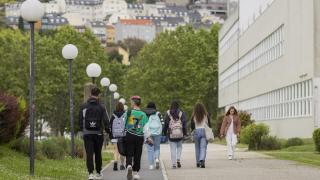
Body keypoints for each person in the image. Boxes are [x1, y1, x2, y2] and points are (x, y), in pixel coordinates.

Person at [79, 87, 109, 180]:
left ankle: (90, 173)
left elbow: (80, 120)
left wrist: (82, 130)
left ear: (90, 94)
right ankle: (99, 172)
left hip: (87, 133)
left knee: (89, 153)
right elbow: (106, 120)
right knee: (98, 153)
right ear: (98, 95)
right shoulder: (101, 107)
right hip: (98, 133)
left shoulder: (83, 106)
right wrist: (108, 131)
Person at [124, 96, 148, 180]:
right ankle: (136, 173)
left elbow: (124, 124)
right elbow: (146, 128)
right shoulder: (143, 114)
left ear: (133, 103)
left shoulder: (129, 112)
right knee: (138, 154)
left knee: (129, 152)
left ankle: (129, 165)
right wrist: (148, 138)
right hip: (139, 136)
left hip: (129, 135)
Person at [162, 101, 187, 169]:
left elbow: (165, 124)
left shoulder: (168, 113)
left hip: (171, 134)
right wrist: (185, 133)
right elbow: (184, 124)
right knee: (179, 147)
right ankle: (178, 159)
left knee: (172, 149)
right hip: (180, 134)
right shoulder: (182, 113)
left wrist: (164, 132)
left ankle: (173, 164)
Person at [190, 102, 211, 168]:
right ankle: (202, 160)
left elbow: (192, 126)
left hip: (196, 131)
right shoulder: (206, 115)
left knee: (197, 148)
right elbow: (209, 125)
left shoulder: (194, 115)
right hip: (204, 131)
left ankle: (198, 162)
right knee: (203, 147)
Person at [144, 102, 162, 170]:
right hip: (157, 133)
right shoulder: (158, 113)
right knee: (157, 147)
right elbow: (162, 123)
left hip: (149, 133)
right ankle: (157, 158)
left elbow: (145, 124)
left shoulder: (145, 114)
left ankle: (151, 165)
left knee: (150, 149)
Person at [109, 102, 126, 171]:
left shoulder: (113, 115)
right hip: (123, 135)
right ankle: (122, 165)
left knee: (116, 150)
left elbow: (110, 126)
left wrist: (110, 135)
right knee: (122, 150)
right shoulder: (125, 115)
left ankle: (115, 163)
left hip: (114, 135)